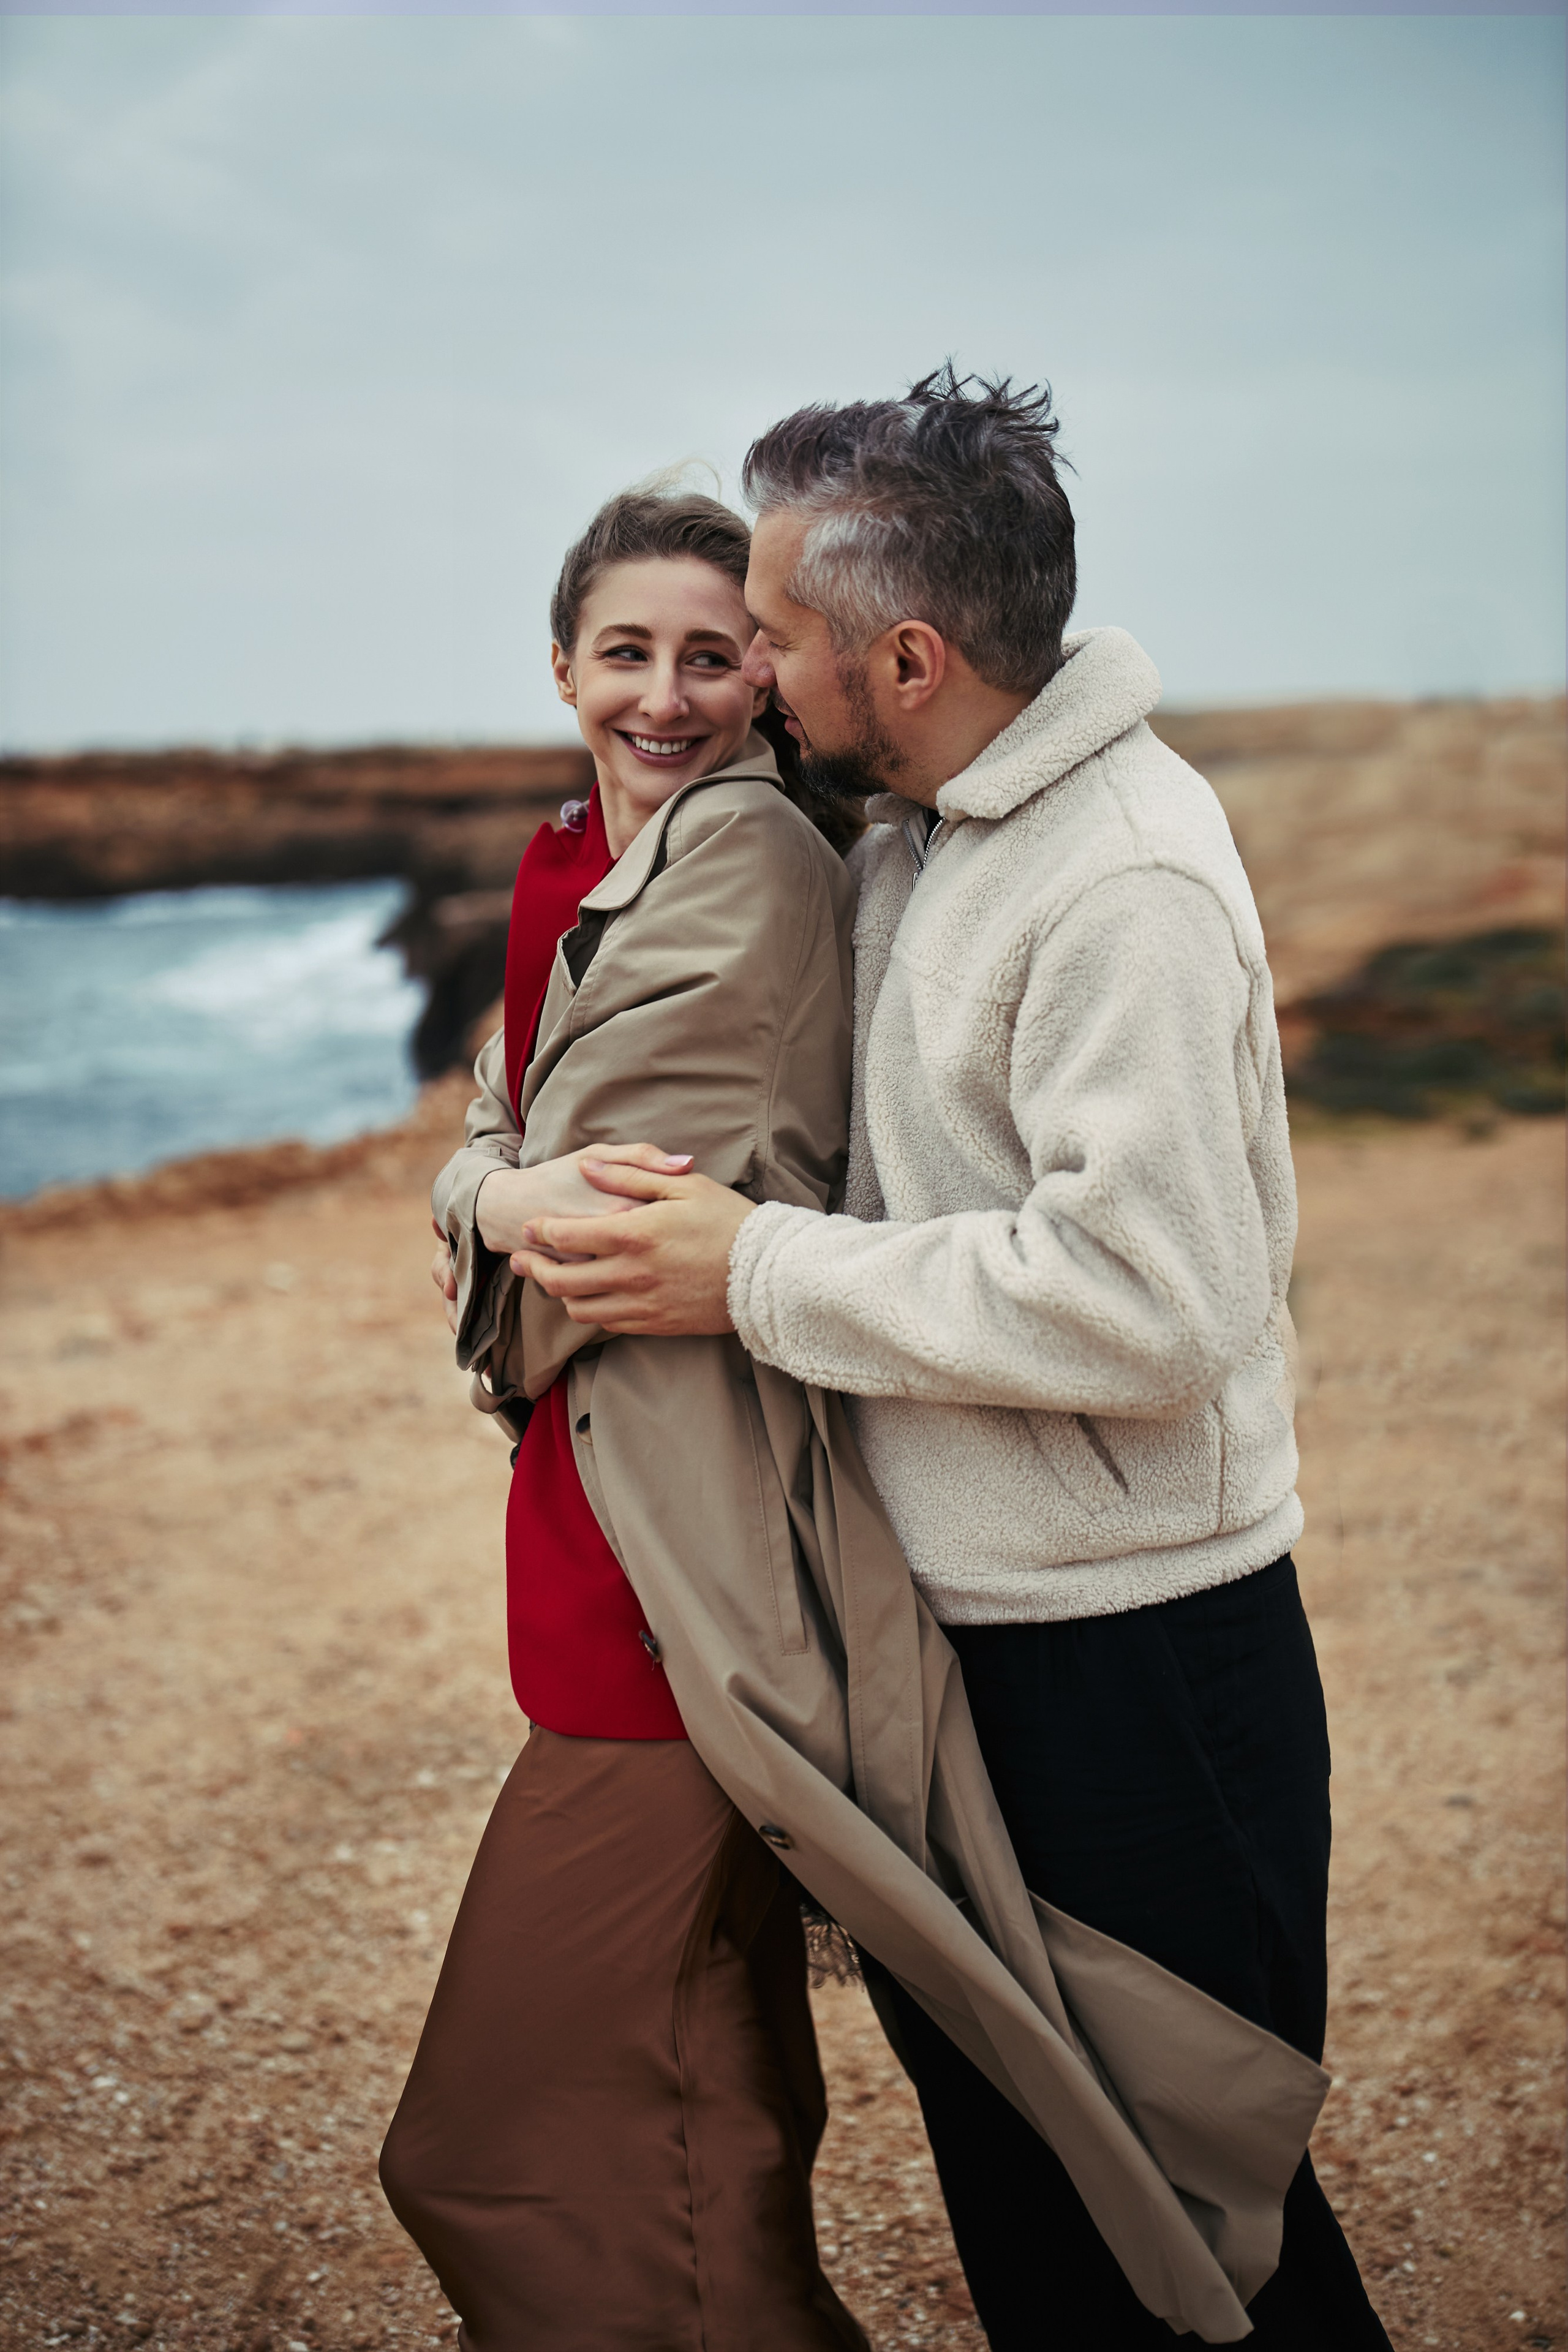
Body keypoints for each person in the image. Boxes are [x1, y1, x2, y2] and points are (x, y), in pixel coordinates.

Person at [508, 369, 1395, 2351]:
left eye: (781, 638)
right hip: (967, 1632)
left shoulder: (1124, 882)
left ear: (906, 656)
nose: (748, 680)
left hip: (1132, 1660)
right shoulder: (910, 815)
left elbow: (1156, 1306)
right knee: (1031, 2188)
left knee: (1193, 2230)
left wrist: (755, 1272)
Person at [379, 486, 870, 2352]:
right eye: (625, 652)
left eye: (709, 652)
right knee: (715, 2106)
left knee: (482, 2151)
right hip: (606, 1517)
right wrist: (487, 1194)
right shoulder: (581, 856)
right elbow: (509, 1146)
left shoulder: (741, 859)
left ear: (769, 673)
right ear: (562, 666)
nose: (664, 694)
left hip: (690, 1553)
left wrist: (489, 1217)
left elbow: (576, 1231)